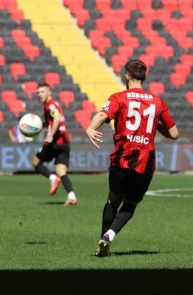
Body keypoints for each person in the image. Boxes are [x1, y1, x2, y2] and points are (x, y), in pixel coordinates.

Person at [85, 59, 179, 257]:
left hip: (122, 157)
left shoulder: (119, 98)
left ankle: (104, 239)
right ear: (143, 77)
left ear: (127, 75)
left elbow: (102, 116)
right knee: (131, 203)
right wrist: (154, 125)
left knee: (112, 201)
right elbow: (174, 133)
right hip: (146, 162)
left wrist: (90, 128)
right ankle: (110, 235)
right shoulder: (157, 101)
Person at [32, 83, 77, 206]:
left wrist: (51, 135)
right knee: (61, 171)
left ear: (49, 92)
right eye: (38, 93)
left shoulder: (50, 105)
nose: (40, 95)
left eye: (42, 92)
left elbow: (56, 118)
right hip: (64, 142)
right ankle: (71, 196)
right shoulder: (53, 105)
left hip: (55, 142)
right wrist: (41, 125)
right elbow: (54, 120)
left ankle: (53, 178)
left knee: (36, 163)